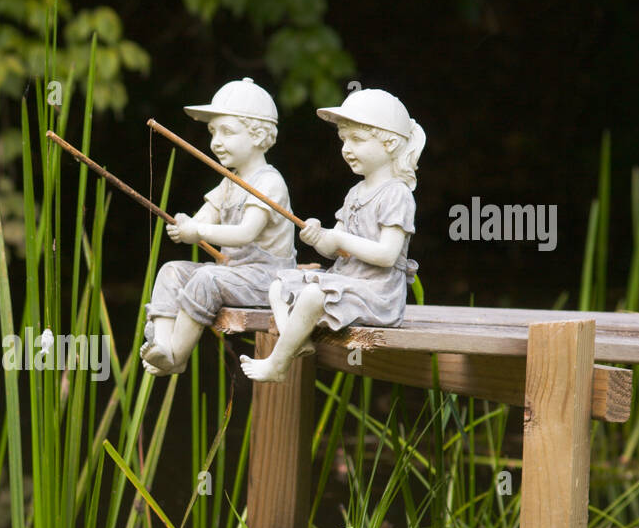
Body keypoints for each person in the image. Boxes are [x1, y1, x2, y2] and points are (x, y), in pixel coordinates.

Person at [240, 89, 425, 383]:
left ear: (390, 143)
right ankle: (297, 341)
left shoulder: (396, 194)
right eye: (344, 140)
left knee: (313, 295)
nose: (347, 148)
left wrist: (338, 240)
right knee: (279, 283)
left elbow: (387, 254)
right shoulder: (355, 193)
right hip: (348, 282)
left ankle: (277, 362)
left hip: (377, 293)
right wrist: (319, 237)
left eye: (358, 140)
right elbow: (333, 249)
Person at [140, 78, 297, 376]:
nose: (216, 142)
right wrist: (186, 225)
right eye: (213, 132)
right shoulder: (229, 182)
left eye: (227, 132)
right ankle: (161, 344)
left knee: (206, 279)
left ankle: (177, 356)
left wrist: (198, 233)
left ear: (258, 135)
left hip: (267, 280)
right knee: (172, 270)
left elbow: (245, 234)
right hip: (236, 275)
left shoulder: (268, 182)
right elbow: (204, 217)